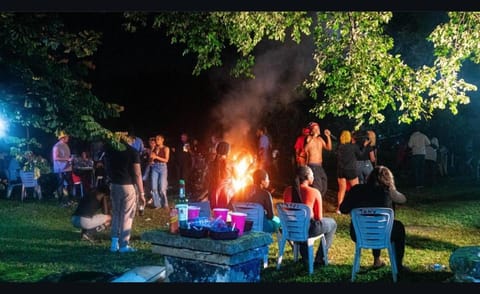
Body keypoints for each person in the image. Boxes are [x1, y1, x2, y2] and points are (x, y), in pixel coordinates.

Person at [339, 165, 410, 273]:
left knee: (374, 224)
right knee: (397, 227)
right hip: (383, 233)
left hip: (359, 234)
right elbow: (403, 199)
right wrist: (392, 188)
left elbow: (343, 209)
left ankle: (377, 260)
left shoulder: (356, 190)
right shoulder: (388, 192)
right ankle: (398, 266)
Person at [283, 165, 337, 267]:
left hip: (291, 229)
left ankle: (306, 257)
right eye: (312, 174)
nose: (313, 177)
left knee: (304, 225)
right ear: (308, 177)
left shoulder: (287, 191)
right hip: (308, 229)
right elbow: (318, 218)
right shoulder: (314, 192)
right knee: (332, 223)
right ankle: (320, 258)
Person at [104, 132, 146, 253]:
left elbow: (107, 166)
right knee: (127, 216)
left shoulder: (111, 150)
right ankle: (123, 246)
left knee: (116, 213)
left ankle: (113, 244)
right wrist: (142, 193)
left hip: (114, 185)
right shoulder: (132, 151)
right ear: (130, 140)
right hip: (128, 186)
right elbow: (137, 174)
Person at [228, 169, 281, 233]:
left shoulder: (242, 191)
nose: (268, 181)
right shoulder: (265, 194)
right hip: (261, 227)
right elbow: (270, 216)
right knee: (277, 222)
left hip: (244, 225)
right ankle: (266, 240)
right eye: (267, 179)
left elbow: (230, 205)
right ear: (262, 181)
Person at [335, 130, 369, 214]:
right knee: (356, 189)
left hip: (340, 171)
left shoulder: (339, 146)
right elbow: (360, 155)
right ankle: (356, 207)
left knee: (341, 190)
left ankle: (339, 208)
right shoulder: (353, 146)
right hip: (351, 170)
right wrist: (364, 146)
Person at [303, 122, 333, 197]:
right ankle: (315, 201)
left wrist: (328, 136)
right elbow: (305, 149)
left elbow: (329, 148)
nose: (317, 130)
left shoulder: (320, 139)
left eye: (318, 128)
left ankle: (316, 199)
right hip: (312, 165)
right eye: (315, 129)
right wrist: (313, 137)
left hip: (319, 166)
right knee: (318, 187)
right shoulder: (309, 138)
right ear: (311, 131)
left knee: (324, 185)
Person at [206, 141, 235, 209]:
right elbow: (238, 177)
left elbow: (208, 180)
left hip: (213, 193)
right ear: (227, 151)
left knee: (214, 214)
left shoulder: (211, 164)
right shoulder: (231, 163)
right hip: (226, 194)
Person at [52, 130, 73, 204]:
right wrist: (67, 159)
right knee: (60, 184)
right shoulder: (57, 146)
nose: (68, 138)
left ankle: (69, 200)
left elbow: (67, 156)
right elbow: (55, 158)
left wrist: (70, 159)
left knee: (70, 183)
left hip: (68, 168)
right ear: (63, 138)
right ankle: (60, 201)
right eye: (67, 137)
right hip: (60, 169)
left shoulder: (66, 145)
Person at [150, 134, 170, 209]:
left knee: (162, 187)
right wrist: (151, 160)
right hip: (155, 167)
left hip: (162, 167)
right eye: (156, 139)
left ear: (162, 140)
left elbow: (166, 160)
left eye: (158, 139)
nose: (157, 140)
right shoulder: (154, 148)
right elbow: (151, 158)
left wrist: (156, 157)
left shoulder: (166, 148)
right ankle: (157, 204)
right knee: (154, 187)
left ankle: (165, 204)